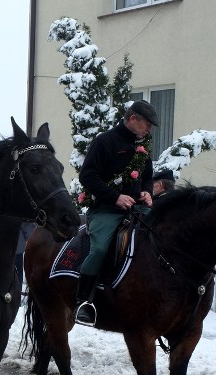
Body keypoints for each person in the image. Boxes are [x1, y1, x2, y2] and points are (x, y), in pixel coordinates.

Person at [74, 99, 157, 326]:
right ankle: (84, 301)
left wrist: (148, 192)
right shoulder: (105, 142)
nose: (149, 129)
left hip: (138, 210)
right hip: (106, 210)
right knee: (100, 248)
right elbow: (87, 176)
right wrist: (115, 197)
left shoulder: (142, 146)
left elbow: (148, 176)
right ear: (133, 119)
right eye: (147, 124)